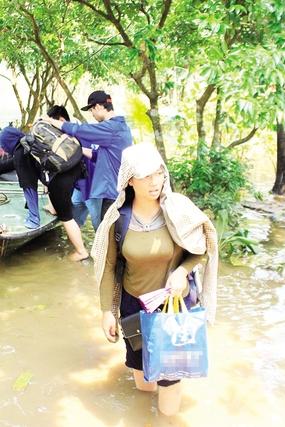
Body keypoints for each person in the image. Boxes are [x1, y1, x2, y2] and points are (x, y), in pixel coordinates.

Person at [90, 143, 219, 416]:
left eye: (159, 173)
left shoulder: (178, 210)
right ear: (129, 180)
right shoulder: (117, 219)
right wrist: (106, 312)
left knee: (169, 380)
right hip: (133, 308)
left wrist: (182, 272)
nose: (155, 181)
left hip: (171, 309)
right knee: (142, 379)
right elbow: (110, 265)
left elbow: (200, 248)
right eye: (146, 176)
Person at [1, 105, 89, 261]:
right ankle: (56, 209)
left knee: (66, 218)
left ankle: (81, 252)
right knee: (61, 206)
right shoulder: (34, 141)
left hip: (61, 179)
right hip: (76, 167)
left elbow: (29, 187)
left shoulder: (20, 153)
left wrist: (33, 218)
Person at [40, 90, 132, 220]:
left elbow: (80, 130)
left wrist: (50, 121)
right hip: (114, 191)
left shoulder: (111, 128)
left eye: (91, 110)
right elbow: (96, 155)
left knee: (105, 235)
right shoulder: (120, 127)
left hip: (113, 193)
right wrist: (75, 147)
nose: (92, 115)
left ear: (99, 107)